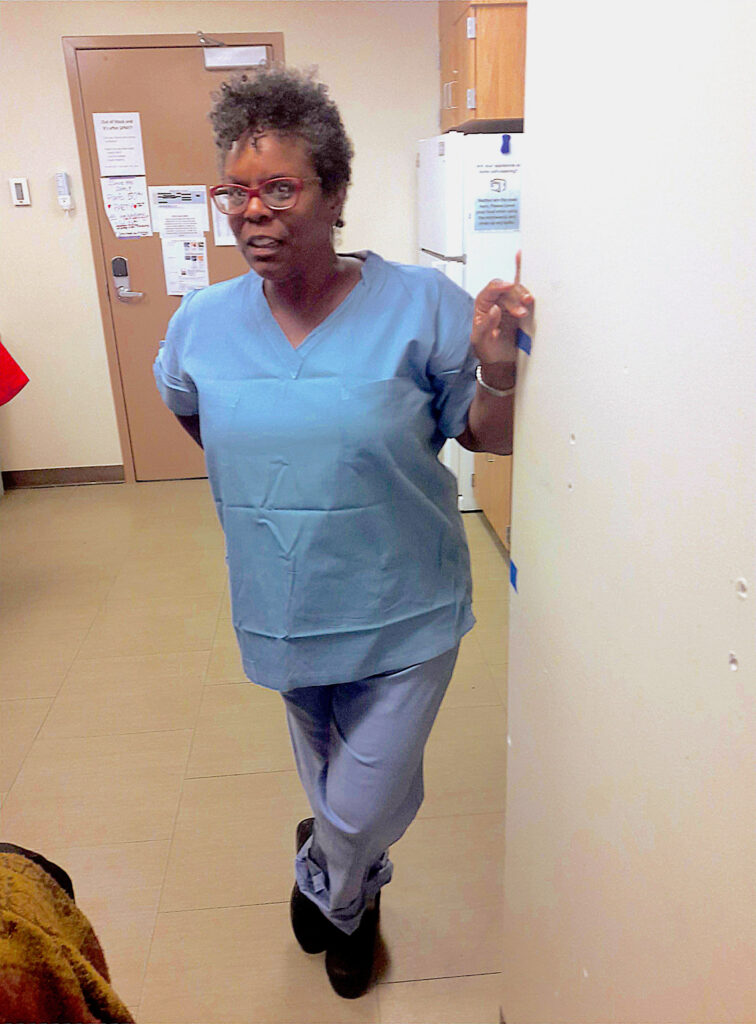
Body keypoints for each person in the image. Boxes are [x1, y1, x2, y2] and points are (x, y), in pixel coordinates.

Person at [154, 66, 532, 1000]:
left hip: (405, 603)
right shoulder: (202, 322)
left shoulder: (423, 308)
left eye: (279, 188)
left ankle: (326, 871)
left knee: (363, 799)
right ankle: (357, 904)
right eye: (234, 192)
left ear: (334, 194)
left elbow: (488, 436)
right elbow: (195, 411)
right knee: (333, 773)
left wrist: (495, 369)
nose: (252, 213)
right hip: (286, 601)